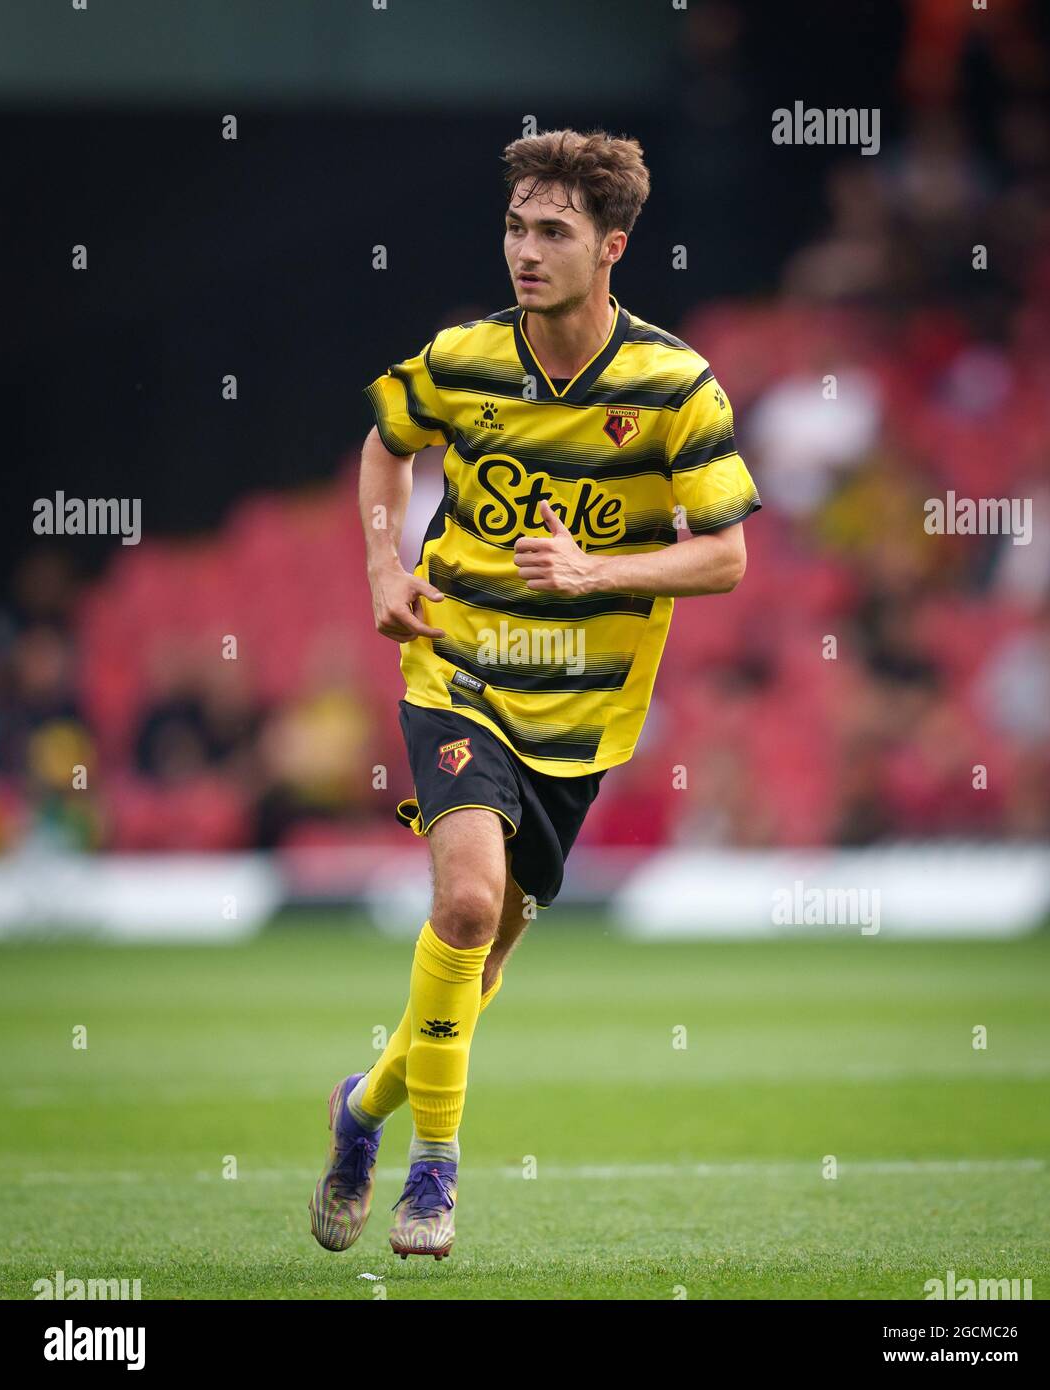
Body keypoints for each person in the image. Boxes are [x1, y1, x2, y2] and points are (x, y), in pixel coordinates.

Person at [309, 128, 760, 1260]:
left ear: (612, 247)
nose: (524, 249)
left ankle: (362, 1112)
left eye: (552, 231)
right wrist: (382, 564)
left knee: (482, 961)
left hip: (584, 714)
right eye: (514, 226)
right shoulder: (462, 356)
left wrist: (598, 569)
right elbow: (385, 444)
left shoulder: (673, 384)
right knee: (463, 906)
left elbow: (725, 557)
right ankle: (435, 1176)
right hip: (456, 668)